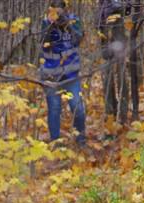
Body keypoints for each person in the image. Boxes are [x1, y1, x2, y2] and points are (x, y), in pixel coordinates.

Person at [40, 0, 85, 144]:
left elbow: (78, 39)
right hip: (51, 75)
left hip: (71, 75)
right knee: (54, 109)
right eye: (55, 11)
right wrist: (51, 26)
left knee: (78, 108)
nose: (58, 14)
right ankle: (55, 143)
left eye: (60, 11)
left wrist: (67, 26)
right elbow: (43, 46)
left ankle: (81, 141)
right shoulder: (46, 22)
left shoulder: (74, 20)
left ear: (65, 10)